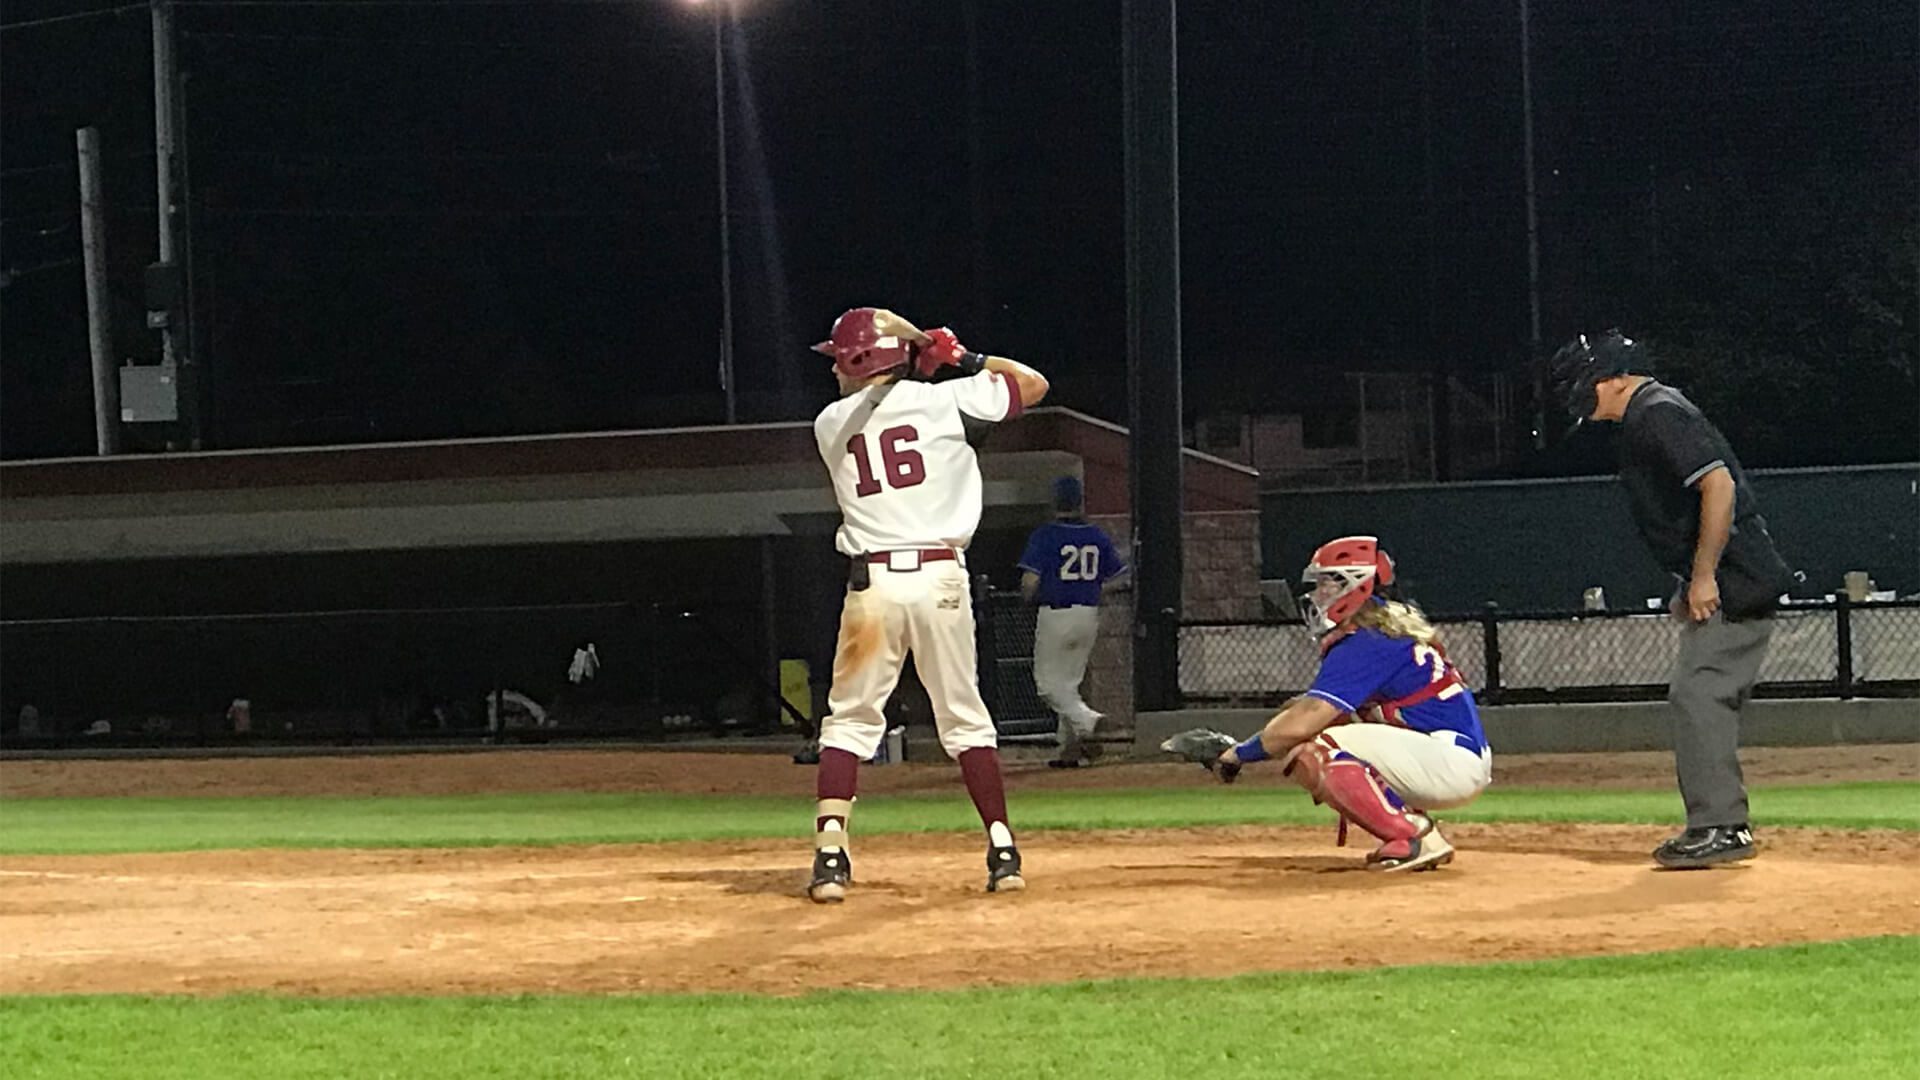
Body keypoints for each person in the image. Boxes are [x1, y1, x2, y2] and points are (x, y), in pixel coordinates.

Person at [805, 306, 1050, 903]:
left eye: (840, 358)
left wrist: (920, 355)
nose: (834, 370)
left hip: (873, 588)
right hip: (940, 577)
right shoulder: (948, 403)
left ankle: (831, 854)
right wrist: (960, 358)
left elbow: (882, 406)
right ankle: (1002, 849)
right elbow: (1034, 384)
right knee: (964, 716)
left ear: (860, 361)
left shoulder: (830, 422)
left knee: (850, 720)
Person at [1549, 331, 1794, 869]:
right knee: (1698, 695)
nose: (1579, 393)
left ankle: (1720, 827)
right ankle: (1718, 823)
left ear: (1613, 379)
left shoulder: (1657, 410)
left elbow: (1719, 486)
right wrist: (1692, 578)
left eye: (1585, 382)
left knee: (1699, 695)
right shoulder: (1653, 410)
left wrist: (1706, 575)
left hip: (1738, 576)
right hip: (1734, 573)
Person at [1210, 536, 1492, 872]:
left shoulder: (1365, 641)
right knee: (1323, 737)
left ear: (1354, 586)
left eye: (1328, 583)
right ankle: (1421, 836)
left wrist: (1236, 755)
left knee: (1315, 749)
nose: (1317, 594)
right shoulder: (1380, 629)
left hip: (1448, 761)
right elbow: (1312, 713)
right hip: (1450, 755)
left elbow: (1304, 723)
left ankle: (1408, 836)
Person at [1017, 476, 1126, 767]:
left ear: (1055, 501)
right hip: (1088, 612)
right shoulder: (1097, 535)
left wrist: (1026, 598)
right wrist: (1090, 590)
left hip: (1056, 612)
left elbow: (1030, 581)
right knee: (1069, 684)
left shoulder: (1046, 535)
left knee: (1048, 685)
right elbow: (1117, 577)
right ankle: (1069, 751)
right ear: (1080, 501)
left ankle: (1089, 721)